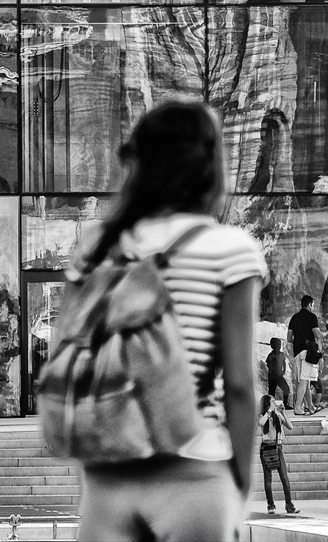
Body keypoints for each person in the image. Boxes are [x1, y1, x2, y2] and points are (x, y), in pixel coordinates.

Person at [66, 101, 264, 541]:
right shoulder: (230, 248)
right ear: (209, 164)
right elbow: (240, 386)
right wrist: (239, 483)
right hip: (194, 474)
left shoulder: (99, 246)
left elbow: (80, 373)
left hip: (110, 479)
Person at [287, 295, 328, 416]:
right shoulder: (312, 317)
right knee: (305, 380)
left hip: (297, 353)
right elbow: (318, 335)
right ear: (310, 304)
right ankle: (298, 407)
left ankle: (310, 407)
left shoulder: (294, 318)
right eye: (313, 305)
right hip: (308, 352)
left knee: (305, 381)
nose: (313, 307)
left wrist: (299, 340)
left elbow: (289, 338)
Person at [257, 393, 299, 515]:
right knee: (268, 479)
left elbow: (290, 427)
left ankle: (289, 505)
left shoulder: (278, 415)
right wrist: (269, 412)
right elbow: (260, 423)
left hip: (277, 447)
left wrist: (283, 412)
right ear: (266, 404)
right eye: (272, 402)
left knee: (284, 478)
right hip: (266, 447)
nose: (274, 404)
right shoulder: (262, 415)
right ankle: (270, 505)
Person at [265, 337, 290, 403]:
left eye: (279, 344)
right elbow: (268, 364)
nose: (278, 346)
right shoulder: (271, 355)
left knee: (286, 389)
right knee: (271, 391)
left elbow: (284, 362)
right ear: (272, 346)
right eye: (276, 344)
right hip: (272, 376)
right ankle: (270, 404)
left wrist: (283, 370)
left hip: (279, 376)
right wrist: (272, 371)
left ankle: (285, 404)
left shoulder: (282, 354)